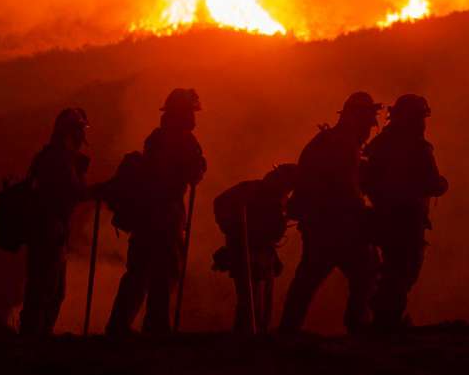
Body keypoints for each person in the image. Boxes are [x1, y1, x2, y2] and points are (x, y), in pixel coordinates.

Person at [106, 88, 207, 336]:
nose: (194, 117)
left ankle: (118, 327)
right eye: (191, 111)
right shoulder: (182, 141)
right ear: (183, 112)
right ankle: (156, 328)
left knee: (138, 273)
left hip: (146, 216)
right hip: (166, 216)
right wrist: (200, 165)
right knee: (164, 273)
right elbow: (192, 174)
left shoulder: (157, 138)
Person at [279, 92, 381, 334]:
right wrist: (363, 214)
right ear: (357, 118)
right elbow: (344, 189)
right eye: (368, 121)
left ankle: (287, 329)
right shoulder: (344, 146)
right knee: (366, 271)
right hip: (338, 225)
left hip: (318, 224)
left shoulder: (325, 141)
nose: (370, 128)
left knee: (307, 279)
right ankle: (357, 325)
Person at [362, 94, 448, 331]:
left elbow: (365, 177)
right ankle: (386, 323)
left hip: (383, 216)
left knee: (392, 269)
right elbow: (432, 183)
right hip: (408, 219)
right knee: (404, 270)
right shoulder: (418, 147)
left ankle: (384, 319)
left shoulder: (380, 143)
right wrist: (442, 184)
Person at [19, 108, 92, 336]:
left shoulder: (53, 156)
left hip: (51, 232)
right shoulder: (59, 159)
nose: (82, 137)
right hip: (48, 233)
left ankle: (37, 336)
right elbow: (73, 192)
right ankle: (34, 338)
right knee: (44, 290)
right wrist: (105, 190)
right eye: (79, 131)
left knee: (52, 291)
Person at [212, 164, 301, 334]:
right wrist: (233, 227)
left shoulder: (280, 198)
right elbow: (220, 202)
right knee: (251, 302)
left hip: (264, 253)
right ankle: (244, 339)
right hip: (244, 249)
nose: (289, 190)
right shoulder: (251, 189)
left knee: (263, 304)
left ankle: (255, 338)